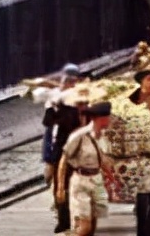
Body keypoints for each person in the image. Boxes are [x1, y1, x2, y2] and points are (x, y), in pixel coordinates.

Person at [57, 101, 113, 236]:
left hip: (97, 181)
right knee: (84, 228)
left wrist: (111, 179)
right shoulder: (79, 136)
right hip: (81, 181)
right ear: (98, 119)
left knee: (92, 226)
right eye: (106, 117)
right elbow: (64, 160)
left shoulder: (103, 136)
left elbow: (101, 160)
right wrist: (60, 187)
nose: (109, 120)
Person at [44, 68, 85, 234]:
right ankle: (63, 220)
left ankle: (76, 218)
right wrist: (52, 107)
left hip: (76, 148)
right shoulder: (58, 104)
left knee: (76, 185)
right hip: (60, 147)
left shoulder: (78, 105)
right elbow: (47, 123)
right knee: (59, 184)